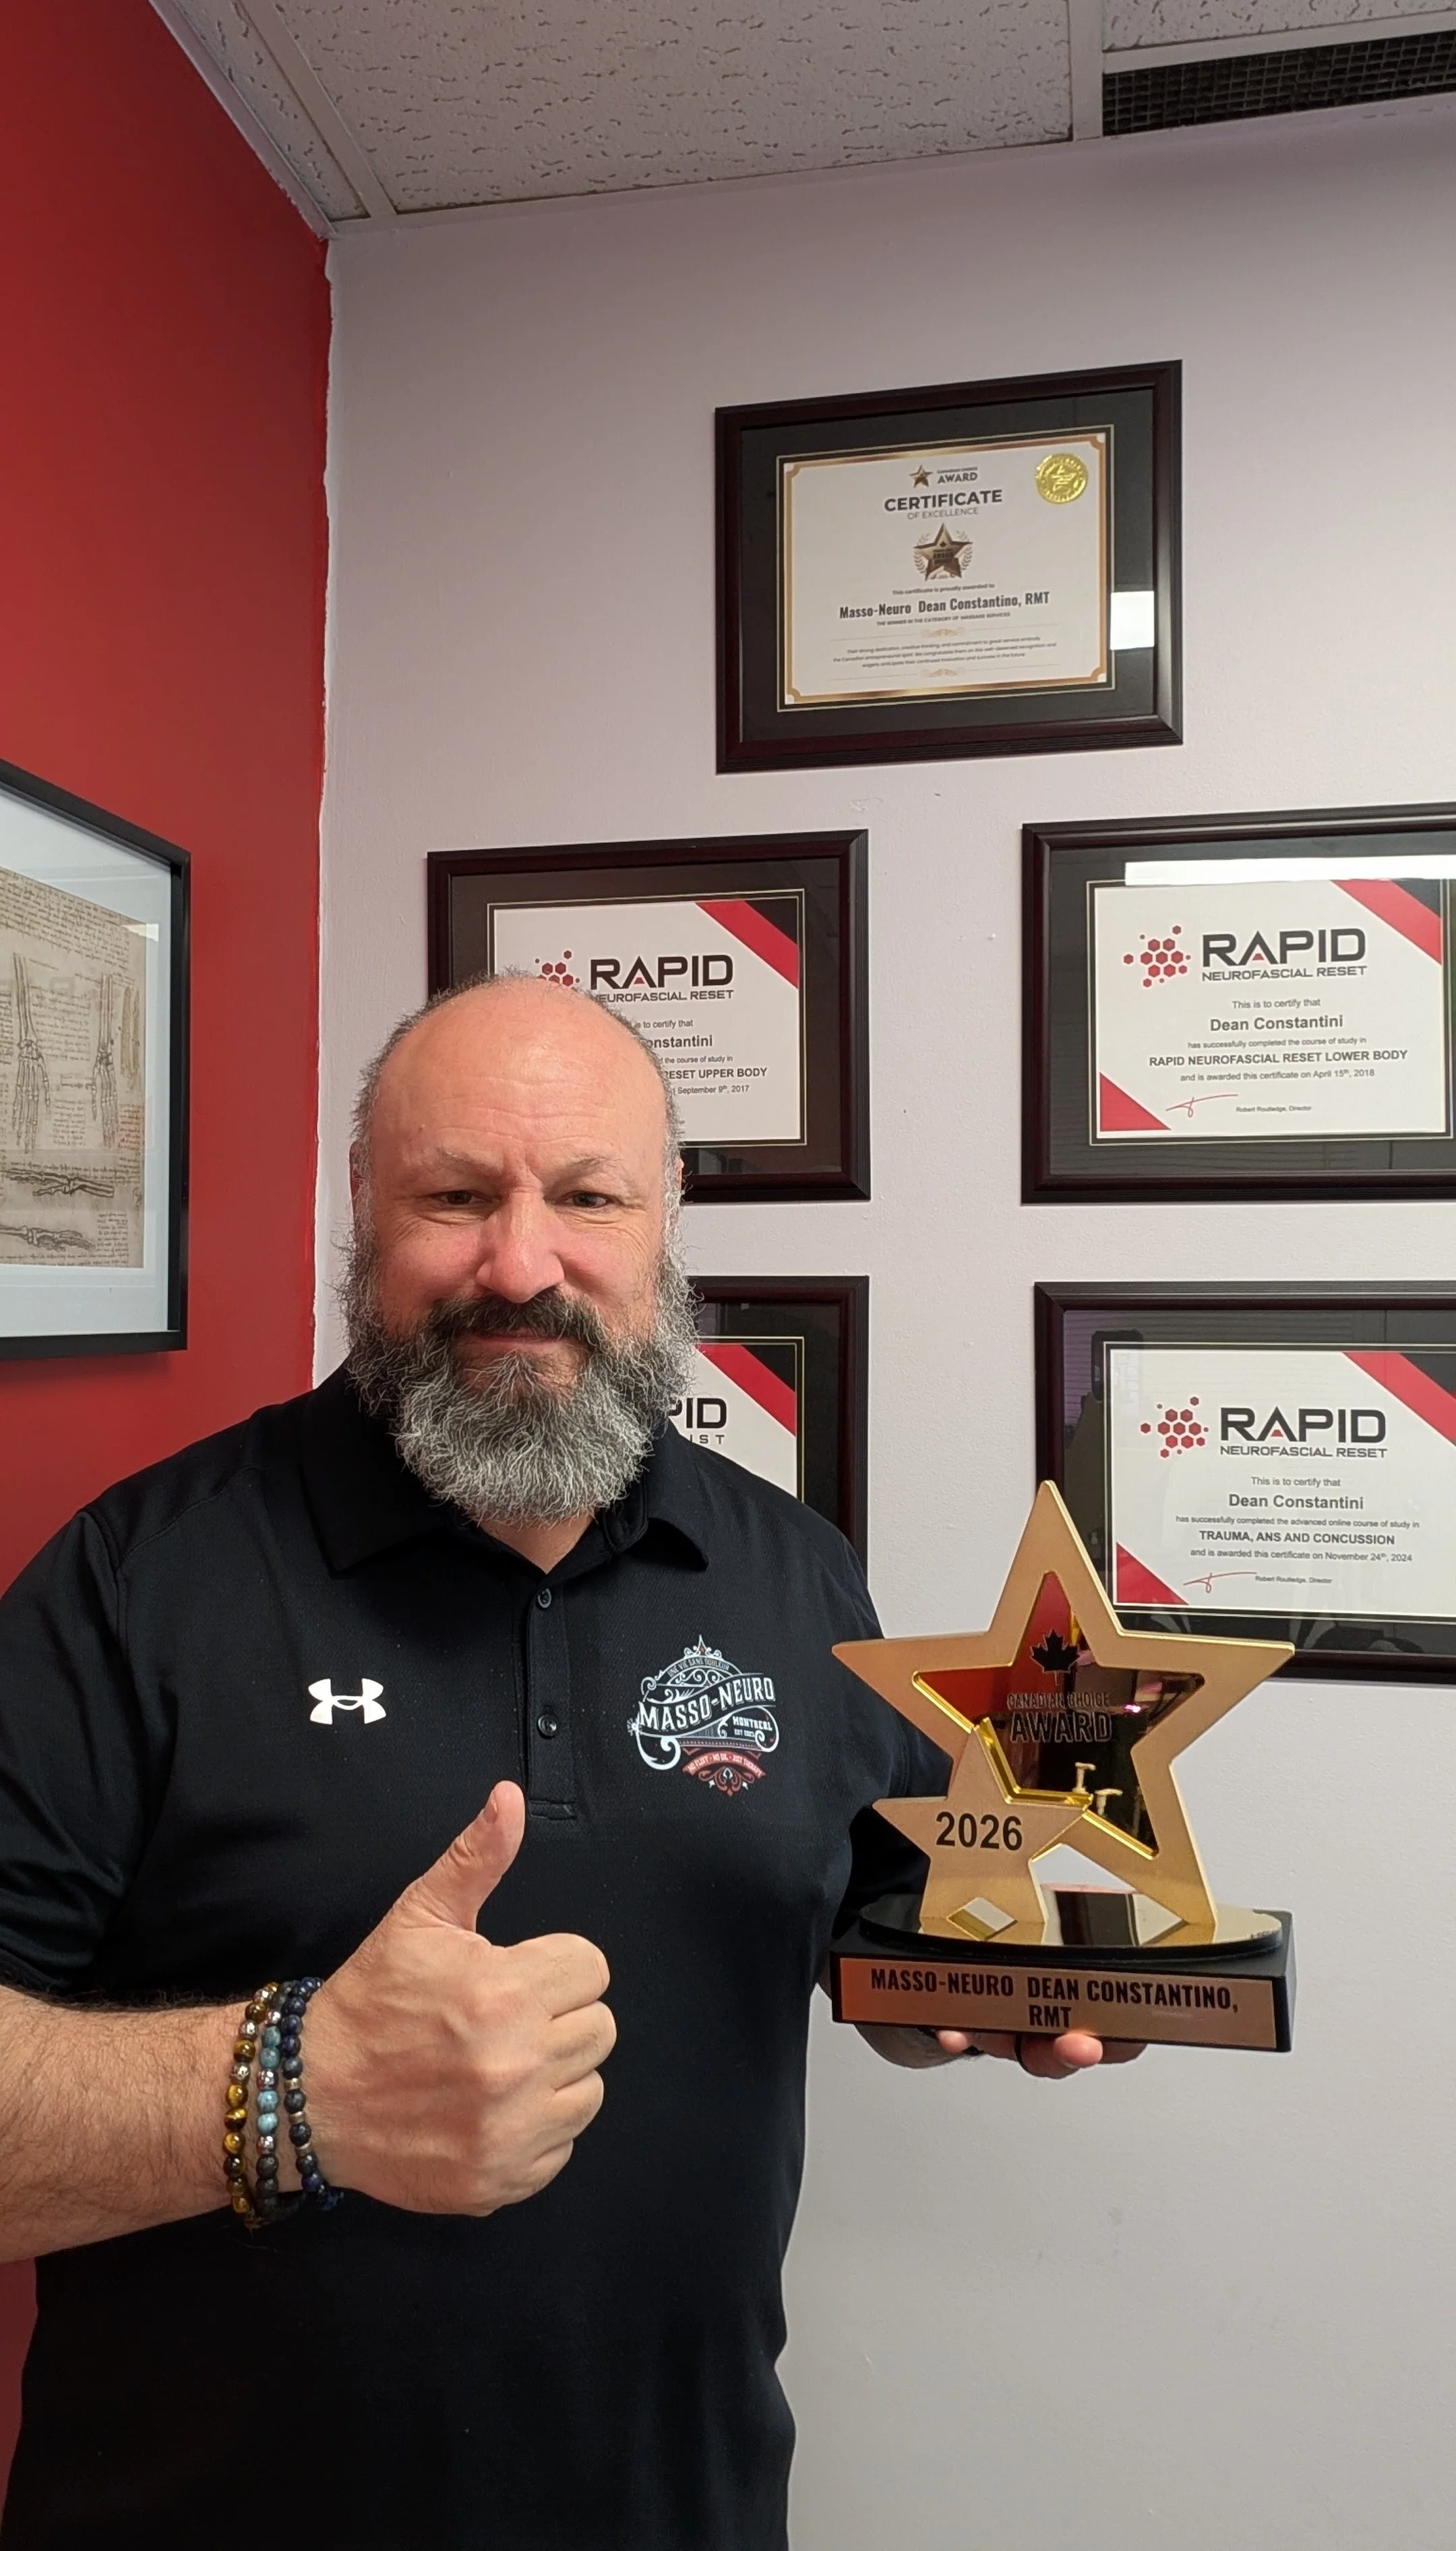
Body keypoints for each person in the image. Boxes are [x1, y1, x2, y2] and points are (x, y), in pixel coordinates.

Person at [0, 975, 1138, 2549]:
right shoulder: (138, 1582)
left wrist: (983, 1988)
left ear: (666, 1222)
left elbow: (869, 1932)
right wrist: (288, 2088)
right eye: (454, 1197)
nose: (519, 1266)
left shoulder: (794, 1572)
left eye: (587, 1197)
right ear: (361, 1214)